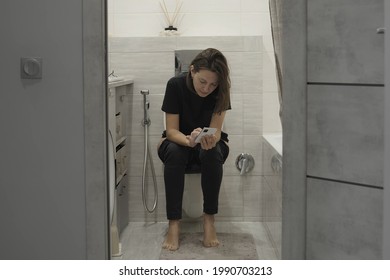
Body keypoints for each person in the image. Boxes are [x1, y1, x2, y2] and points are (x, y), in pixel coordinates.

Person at [157, 48, 231, 251]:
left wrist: (209, 138)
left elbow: (217, 131)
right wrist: (189, 140)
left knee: (212, 152)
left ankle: (209, 221)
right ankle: (174, 223)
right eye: (203, 82)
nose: (207, 88)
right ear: (192, 71)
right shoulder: (175, 85)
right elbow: (171, 131)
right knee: (174, 151)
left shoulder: (221, 90)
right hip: (178, 141)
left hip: (208, 144)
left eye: (213, 84)